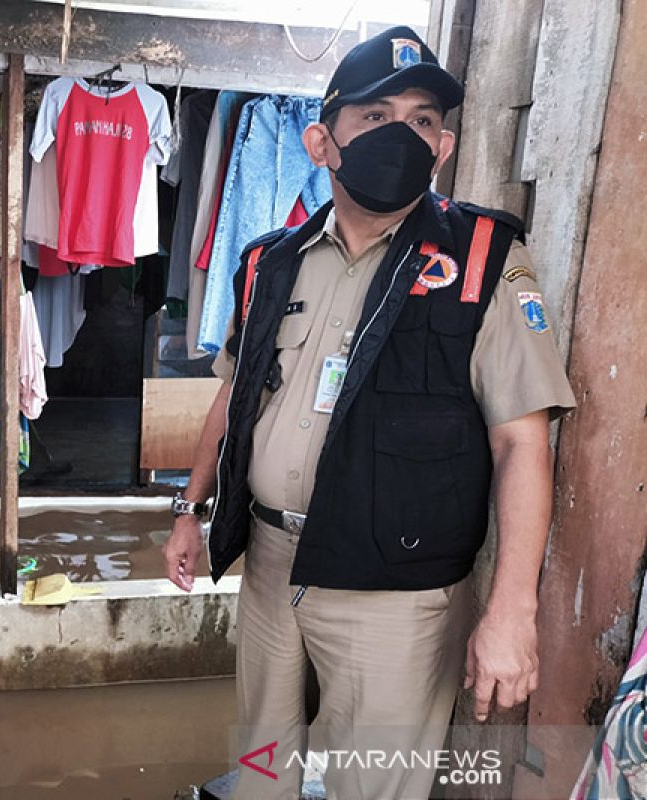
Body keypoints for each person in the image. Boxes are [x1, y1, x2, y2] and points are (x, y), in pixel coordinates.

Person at [161, 26, 576, 800]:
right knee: (260, 769)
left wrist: (513, 612)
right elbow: (234, 395)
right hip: (272, 565)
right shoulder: (268, 260)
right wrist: (189, 509)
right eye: (377, 116)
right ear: (323, 141)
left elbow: (524, 443)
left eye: (422, 120)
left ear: (444, 146)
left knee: (371, 787)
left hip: (396, 598)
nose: (404, 136)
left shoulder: (482, 261)